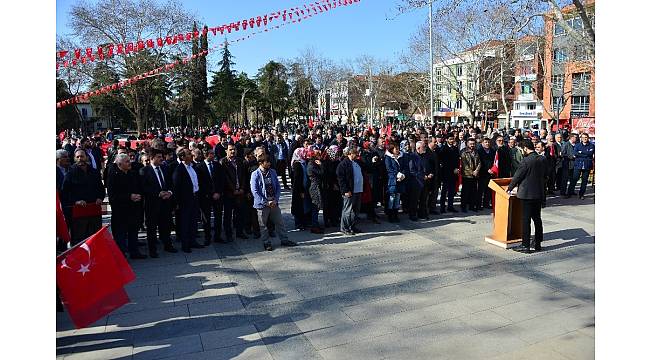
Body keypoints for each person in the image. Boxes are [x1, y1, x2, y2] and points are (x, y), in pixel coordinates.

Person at [250, 155, 297, 251]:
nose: (269, 164)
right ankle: (266, 242)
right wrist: (266, 202)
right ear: (261, 163)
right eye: (267, 162)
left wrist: (276, 199)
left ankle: (284, 239)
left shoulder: (273, 172)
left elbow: (278, 187)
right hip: (262, 204)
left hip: (274, 202)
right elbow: (255, 191)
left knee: (280, 222)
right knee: (263, 225)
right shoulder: (255, 174)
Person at [507, 139, 546, 253]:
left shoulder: (526, 161)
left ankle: (525, 245)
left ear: (525, 148)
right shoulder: (542, 159)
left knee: (526, 220)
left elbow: (517, 176)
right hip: (538, 193)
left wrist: (509, 188)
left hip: (527, 194)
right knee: (537, 218)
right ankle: (538, 243)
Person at [61, 149, 106, 245]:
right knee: (80, 241)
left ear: (86, 157)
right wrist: (76, 201)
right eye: (77, 157)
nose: (80, 158)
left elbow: (101, 189)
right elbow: (65, 194)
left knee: (95, 238)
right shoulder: (70, 174)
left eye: (82, 156)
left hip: (94, 211)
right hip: (79, 213)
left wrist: (100, 198)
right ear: (74, 158)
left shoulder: (94, 172)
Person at [107, 153, 147, 259]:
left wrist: (139, 196)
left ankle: (134, 252)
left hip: (133, 209)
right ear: (120, 164)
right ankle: (121, 255)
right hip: (121, 211)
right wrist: (129, 196)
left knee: (133, 232)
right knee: (121, 234)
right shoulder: (113, 176)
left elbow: (139, 187)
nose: (130, 163)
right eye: (127, 162)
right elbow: (113, 196)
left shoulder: (133, 174)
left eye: (130, 161)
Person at [139, 148, 177, 257]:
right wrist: (158, 193)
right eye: (159, 157)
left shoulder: (165, 168)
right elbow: (144, 188)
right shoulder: (144, 171)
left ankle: (168, 245)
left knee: (165, 225)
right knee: (151, 228)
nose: (162, 159)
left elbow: (170, 182)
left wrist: (169, 192)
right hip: (152, 204)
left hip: (165, 203)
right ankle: (152, 250)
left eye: (162, 156)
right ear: (151, 158)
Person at [172, 147, 205, 253]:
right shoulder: (179, 169)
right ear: (182, 157)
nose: (191, 155)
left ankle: (193, 241)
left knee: (193, 220)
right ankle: (185, 245)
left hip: (195, 196)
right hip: (185, 199)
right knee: (185, 222)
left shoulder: (193, 167)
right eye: (188, 154)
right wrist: (177, 202)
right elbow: (176, 186)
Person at [195, 148, 225, 244]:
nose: (214, 155)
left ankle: (217, 236)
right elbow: (200, 184)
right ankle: (207, 237)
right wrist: (211, 194)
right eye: (212, 154)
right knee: (206, 218)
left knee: (218, 216)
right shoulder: (199, 167)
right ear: (206, 155)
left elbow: (221, 180)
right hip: (206, 197)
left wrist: (218, 192)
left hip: (218, 196)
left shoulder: (217, 165)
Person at [220, 144, 248, 241]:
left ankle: (240, 232)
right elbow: (225, 179)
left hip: (239, 192)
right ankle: (228, 234)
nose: (232, 151)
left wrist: (242, 189)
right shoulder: (223, 162)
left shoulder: (240, 161)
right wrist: (233, 190)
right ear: (226, 151)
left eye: (234, 149)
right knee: (228, 215)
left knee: (240, 213)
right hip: (229, 193)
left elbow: (243, 176)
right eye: (230, 150)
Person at [336, 146, 364, 235]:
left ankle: (352, 226)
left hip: (358, 190)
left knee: (356, 210)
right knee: (347, 210)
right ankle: (344, 228)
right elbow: (341, 179)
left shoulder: (357, 162)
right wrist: (345, 190)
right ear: (350, 154)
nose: (357, 155)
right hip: (349, 191)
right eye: (355, 153)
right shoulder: (343, 164)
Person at [567, 133, 595, 200]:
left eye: (586, 137)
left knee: (584, 181)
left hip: (587, 165)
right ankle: (569, 193)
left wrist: (581, 153)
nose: (584, 139)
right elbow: (575, 153)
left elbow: (590, 153)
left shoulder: (592, 146)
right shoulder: (577, 145)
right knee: (574, 179)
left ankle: (581, 194)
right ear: (581, 138)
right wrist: (585, 154)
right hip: (578, 165)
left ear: (588, 138)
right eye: (583, 137)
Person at [384, 143, 406, 223]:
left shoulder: (401, 157)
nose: (397, 150)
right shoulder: (388, 157)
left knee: (397, 197)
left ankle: (396, 214)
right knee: (392, 197)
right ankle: (390, 215)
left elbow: (404, 166)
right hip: (392, 180)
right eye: (395, 149)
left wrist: (402, 174)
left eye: (398, 149)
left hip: (400, 180)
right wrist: (397, 174)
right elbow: (389, 169)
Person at [438, 134, 460, 213]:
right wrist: (451, 169)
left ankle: (450, 206)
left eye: (453, 139)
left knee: (452, 191)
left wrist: (457, 168)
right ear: (447, 139)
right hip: (446, 173)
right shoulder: (443, 149)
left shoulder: (455, 148)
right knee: (444, 191)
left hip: (454, 173)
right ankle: (442, 207)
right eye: (450, 139)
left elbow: (457, 160)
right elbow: (443, 162)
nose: (452, 141)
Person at [406, 142, 426, 221]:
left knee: (423, 199)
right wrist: (422, 176)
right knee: (414, 200)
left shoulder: (424, 156)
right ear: (418, 148)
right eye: (423, 147)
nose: (424, 148)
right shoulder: (412, 157)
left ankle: (421, 214)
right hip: (416, 182)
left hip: (423, 181)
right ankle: (413, 215)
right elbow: (412, 170)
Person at [460, 138, 481, 213]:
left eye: (473, 144)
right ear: (467, 144)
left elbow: (479, 162)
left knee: (474, 191)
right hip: (466, 175)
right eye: (470, 144)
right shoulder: (463, 152)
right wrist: (472, 172)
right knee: (465, 192)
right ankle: (463, 206)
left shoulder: (476, 151)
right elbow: (464, 164)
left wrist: (476, 171)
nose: (472, 145)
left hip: (475, 175)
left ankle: (472, 206)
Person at [307, 149, 325, 233]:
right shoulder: (312, 165)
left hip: (316, 185)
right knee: (315, 206)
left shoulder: (313, 164)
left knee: (316, 206)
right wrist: (321, 165)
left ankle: (316, 224)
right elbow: (321, 173)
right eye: (318, 155)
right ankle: (314, 226)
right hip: (314, 186)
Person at [477, 138, 496, 209]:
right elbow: (479, 162)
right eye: (485, 142)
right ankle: (478, 205)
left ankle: (486, 204)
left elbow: (494, 161)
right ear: (482, 143)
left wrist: (492, 169)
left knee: (488, 190)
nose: (487, 143)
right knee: (480, 190)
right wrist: (486, 169)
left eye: (488, 142)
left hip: (490, 173)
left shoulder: (492, 151)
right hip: (482, 173)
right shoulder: (479, 151)